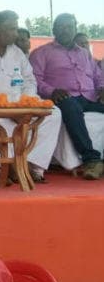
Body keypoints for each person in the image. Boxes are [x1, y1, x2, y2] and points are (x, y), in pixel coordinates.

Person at [0, 10, 62, 183]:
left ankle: (30, 164)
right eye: (12, 29)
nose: (16, 34)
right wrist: (5, 108)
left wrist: (25, 103)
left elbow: (29, 80)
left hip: (19, 104)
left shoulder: (17, 53)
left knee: (53, 113)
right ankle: (3, 166)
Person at [29, 13, 104, 180]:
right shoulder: (41, 53)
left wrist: (102, 88)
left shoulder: (84, 53)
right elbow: (33, 80)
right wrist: (52, 91)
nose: (65, 30)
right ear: (54, 29)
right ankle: (91, 160)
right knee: (71, 106)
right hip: (63, 98)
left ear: (75, 29)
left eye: (69, 27)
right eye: (61, 27)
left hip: (90, 97)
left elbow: (98, 75)